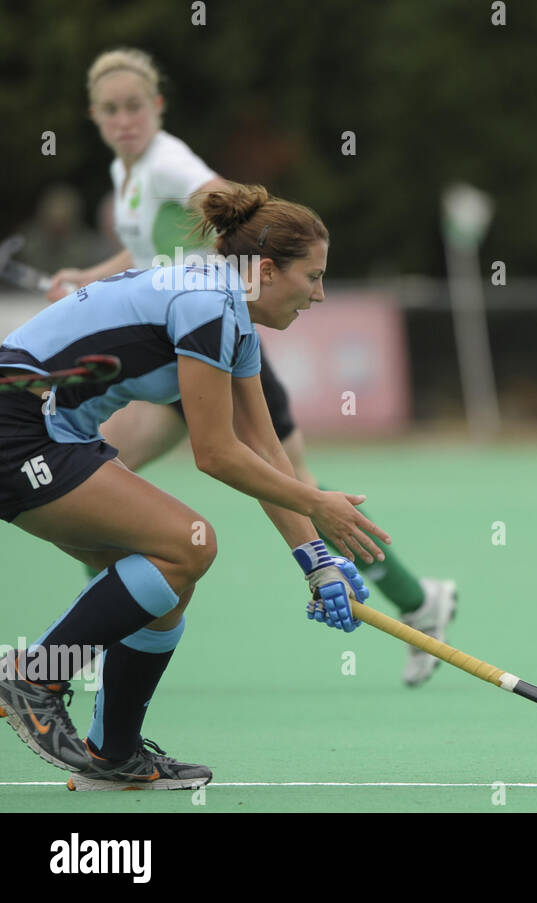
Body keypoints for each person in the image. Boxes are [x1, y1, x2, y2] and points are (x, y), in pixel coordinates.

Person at [45, 48, 454, 686]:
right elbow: (149, 244)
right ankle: (102, 629)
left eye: (134, 106)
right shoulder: (126, 176)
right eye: (109, 110)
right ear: (95, 116)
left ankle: (419, 600)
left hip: (207, 345)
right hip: (174, 353)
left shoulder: (167, 161)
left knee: (295, 485)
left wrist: (204, 288)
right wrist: (94, 279)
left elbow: (235, 216)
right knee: (102, 487)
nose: (123, 120)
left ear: (156, 107)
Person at [0, 184, 386, 789]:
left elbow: (264, 448)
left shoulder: (228, 310)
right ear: (265, 269)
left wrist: (316, 560)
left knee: (166, 583)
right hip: (17, 427)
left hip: (54, 435)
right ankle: (34, 676)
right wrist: (317, 504)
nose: (319, 294)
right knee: (191, 543)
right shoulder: (207, 301)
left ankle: (113, 755)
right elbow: (215, 453)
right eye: (312, 276)